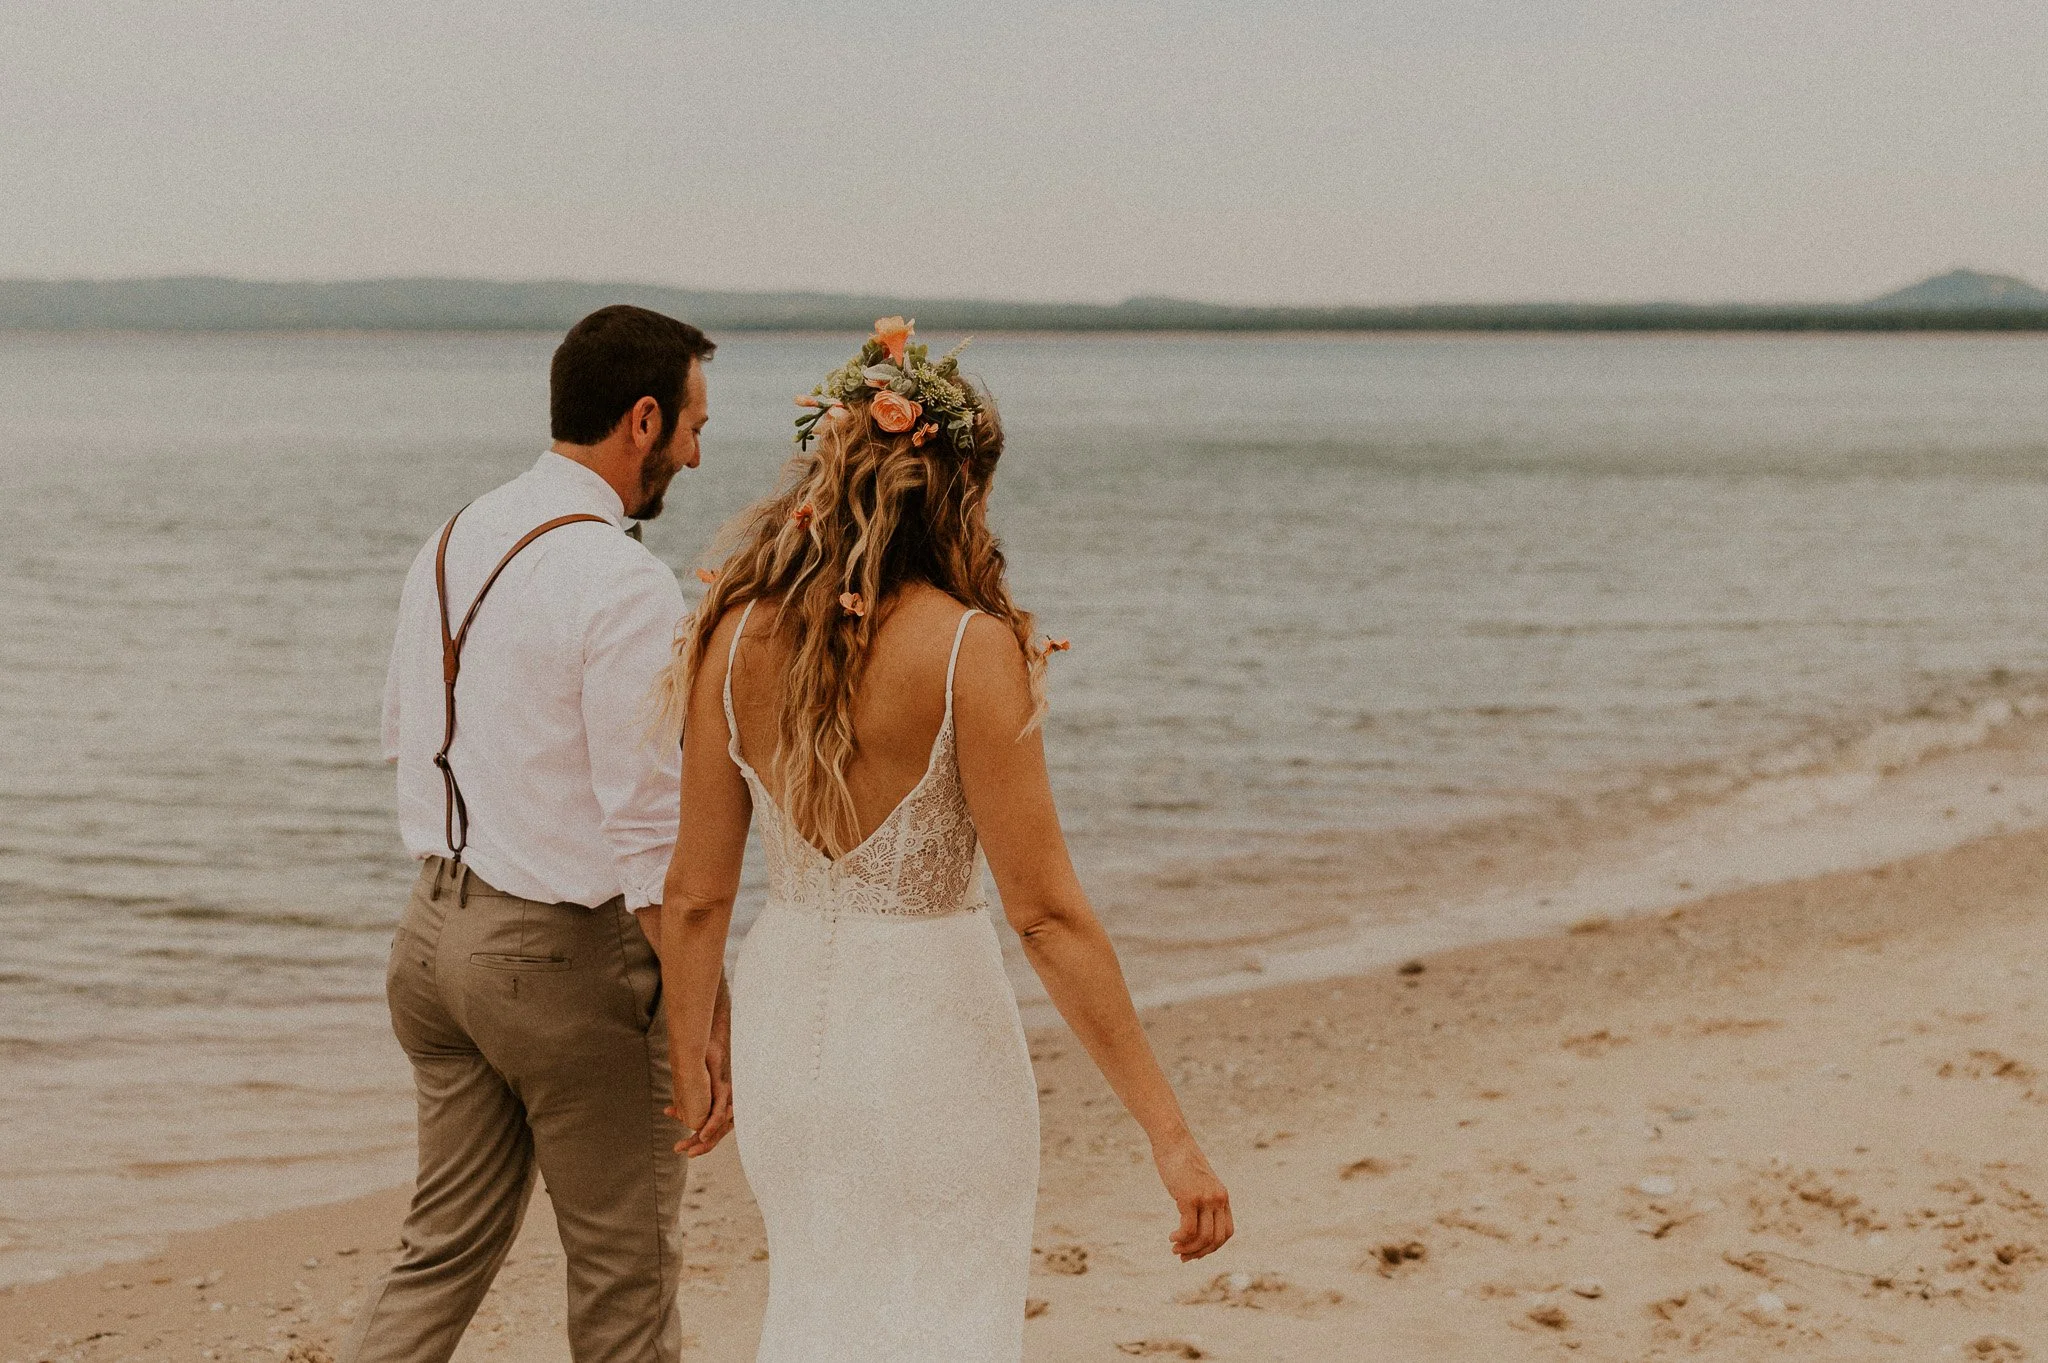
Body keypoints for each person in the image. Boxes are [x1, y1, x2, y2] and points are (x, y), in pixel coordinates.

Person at [654, 318, 1232, 1362]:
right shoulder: (972, 647)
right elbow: (1047, 916)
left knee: (816, 1307)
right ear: (959, 488)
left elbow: (694, 893)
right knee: (946, 1318)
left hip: (791, 1027)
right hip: (933, 1036)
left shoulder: (727, 632)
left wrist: (693, 1054)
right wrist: (1170, 1133)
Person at [345, 305, 731, 1363]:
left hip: (430, 940)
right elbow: (651, 836)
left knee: (437, 1255)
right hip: (561, 961)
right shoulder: (621, 582)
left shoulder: (452, 534)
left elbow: (404, 736)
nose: (698, 453)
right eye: (695, 424)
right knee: (625, 1279)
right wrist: (704, 1018)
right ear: (642, 419)